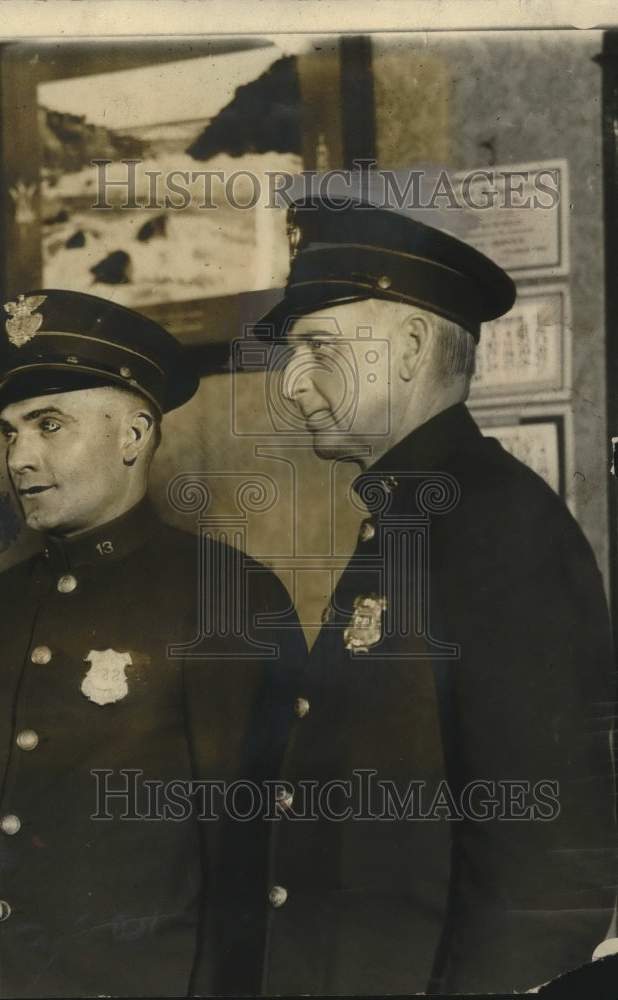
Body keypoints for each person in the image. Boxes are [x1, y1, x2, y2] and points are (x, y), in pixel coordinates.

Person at [0, 289, 305, 998]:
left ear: (134, 436)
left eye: (50, 425)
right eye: (9, 431)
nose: (19, 458)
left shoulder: (227, 597)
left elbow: (251, 853)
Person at [258, 198, 617, 994]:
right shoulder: (409, 514)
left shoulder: (495, 523)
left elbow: (551, 863)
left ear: (413, 344)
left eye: (317, 345)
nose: (290, 382)